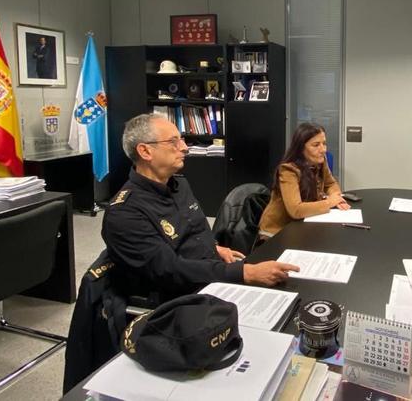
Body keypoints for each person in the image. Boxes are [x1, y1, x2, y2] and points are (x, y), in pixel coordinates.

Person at [102, 113, 299, 304]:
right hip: (179, 299)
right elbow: (169, 271)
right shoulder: (124, 212)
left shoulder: (179, 185)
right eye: (173, 142)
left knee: (293, 291)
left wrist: (214, 248)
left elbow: (191, 234)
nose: (185, 148)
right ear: (145, 151)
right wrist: (245, 273)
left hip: (209, 274)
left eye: (182, 140)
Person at [258, 122, 350, 238]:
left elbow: (330, 183)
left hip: (305, 223)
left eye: (324, 144)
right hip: (277, 232)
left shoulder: (320, 161)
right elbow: (296, 210)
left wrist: (337, 198)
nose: (323, 150)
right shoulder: (288, 170)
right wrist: (330, 202)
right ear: (301, 148)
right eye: (316, 145)